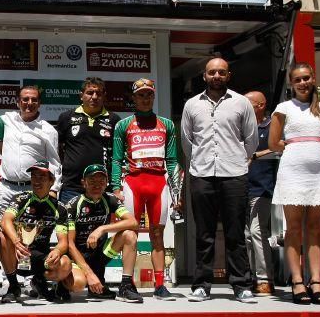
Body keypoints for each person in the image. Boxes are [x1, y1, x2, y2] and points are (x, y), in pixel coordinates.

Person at [181, 57, 258, 303]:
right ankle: (201, 285)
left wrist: (238, 160)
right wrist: (199, 163)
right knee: (204, 234)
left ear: (228, 75)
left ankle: (241, 285)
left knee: (235, 233)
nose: (216, 76)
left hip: (234, 175)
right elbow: (187, 141)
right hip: (202, 174)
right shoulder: (192, 105)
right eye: (212, 72)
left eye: (221, 72)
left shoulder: (242, 103)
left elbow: (251, 140)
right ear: (204, 76)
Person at [269, 63, 320, 305]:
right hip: (293, 170)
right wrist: (298, 148)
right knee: (293, 227)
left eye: (306, 78)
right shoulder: (283, 108)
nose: (302, 83)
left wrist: (315, 147)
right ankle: (297, 281)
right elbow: (274, 142)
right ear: (291, 83)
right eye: (297, 79)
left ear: (313, 78)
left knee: (314, 227)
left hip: (319, 171)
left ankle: (316, 280)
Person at [111, 78, 182, 300]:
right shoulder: (123, 125)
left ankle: (160, 285)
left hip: (159, 184)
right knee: (130, 233)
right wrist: (115, 186)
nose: (145, 98)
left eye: (149, 94)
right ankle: (128, 284)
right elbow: (116, 160)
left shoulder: (166, 124)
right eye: (140, 94)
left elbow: (172, 160)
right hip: (133, 183)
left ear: (153, 96)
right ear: (133, 98)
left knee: (157, 235)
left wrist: (176, 192)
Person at [0, 162, 73, 303]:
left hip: (41, 258)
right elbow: (6, 220)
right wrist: (16, 241)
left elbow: (64, 242)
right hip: (18, 255)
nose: (37, 181)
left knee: (65, 264)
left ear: (51, 181)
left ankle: (40, 282)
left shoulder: (59, 207)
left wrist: (57, 251)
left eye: (42, 177)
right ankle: (13, 286)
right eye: (34, 176)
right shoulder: (21, 199)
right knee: (3, 237)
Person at [64, 164, 140, 301]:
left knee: (129, 234)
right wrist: (89, 274)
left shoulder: (110, 199)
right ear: (84, 183)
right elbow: (69, 245)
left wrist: (102, 229)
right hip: (77, 256)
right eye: (92, 181)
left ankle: (126, 286)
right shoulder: (73, 204)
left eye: (101, 181)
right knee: (78, 284)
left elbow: (133, 222)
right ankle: (63, 285)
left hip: (100, 254)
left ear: (106, 183)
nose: (97, 185)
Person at [56, 77, 120, 204]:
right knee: (68, 224)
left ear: (104, 96)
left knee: (101, 224)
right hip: (71, 187)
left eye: (99, 93)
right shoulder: (66, 117)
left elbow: (117, 155)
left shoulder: (114, 120)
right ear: (81, 95)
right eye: (90, 93)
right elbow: (57, 149)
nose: (94, 97)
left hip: (101, 188)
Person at [0, 85, 61, 210]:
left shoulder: (48, 130)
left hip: (33, 189)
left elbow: (54, 163)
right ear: (18, 102)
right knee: (2, 228)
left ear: (39, 103)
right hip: (6, 189)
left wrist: (54, 189)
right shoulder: (5, 120)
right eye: (25, 99)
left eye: (34, 100)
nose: (29, 103)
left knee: (30, 228)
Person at [245, 90, 278, 296]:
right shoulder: (242, 127)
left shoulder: (272, 124)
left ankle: (266, 279)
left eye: (248, 104)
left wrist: (256, 155)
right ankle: (251, 278)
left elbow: (279, 147)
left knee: (258, 232)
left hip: (263, 187)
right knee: (246, 236)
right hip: (242, 187)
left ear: (261, 105)